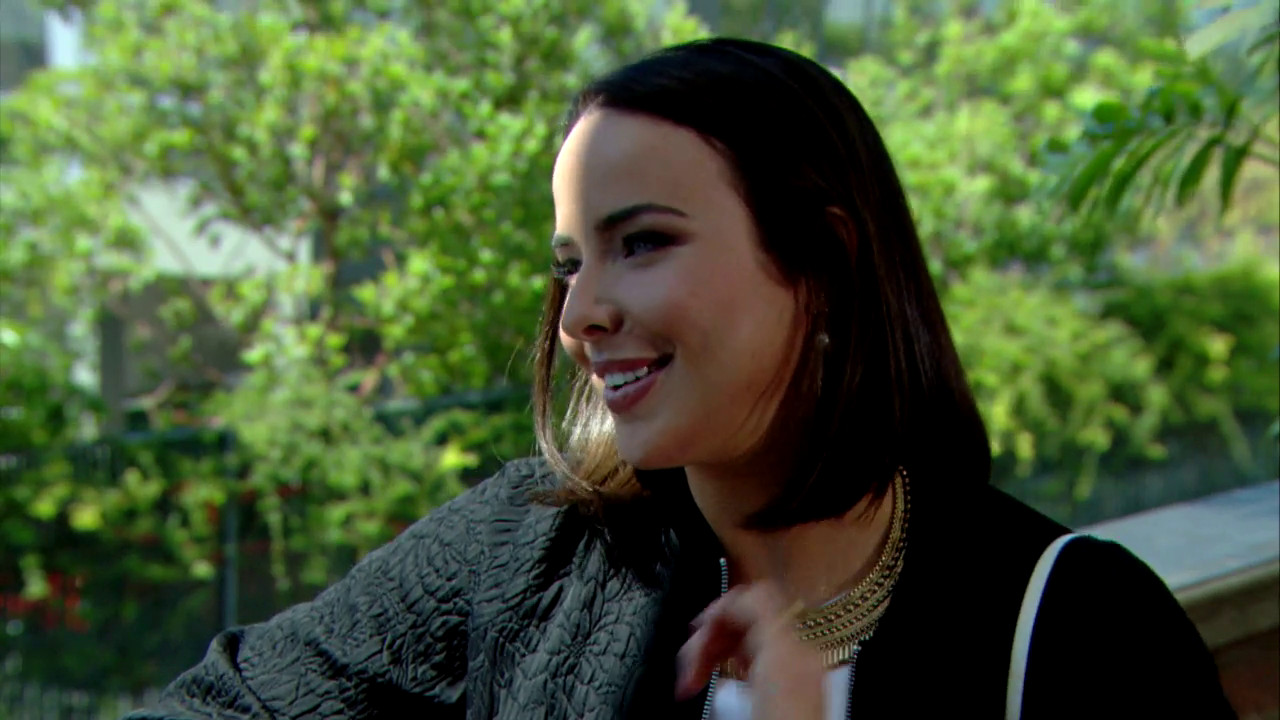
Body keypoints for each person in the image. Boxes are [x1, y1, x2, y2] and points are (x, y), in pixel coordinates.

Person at [127, 38, 1234, 720]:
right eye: (569, 263)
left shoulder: (1080, 629)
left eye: (642, 242)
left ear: (824, 265)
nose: (580, 314)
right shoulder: (530, 554)